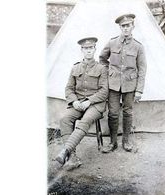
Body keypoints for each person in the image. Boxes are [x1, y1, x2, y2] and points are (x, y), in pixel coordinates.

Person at [54, 37, 108, 170]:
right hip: (79, 103)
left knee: (86, 120)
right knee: (64, 119)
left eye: (91, 48)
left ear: (95, 49)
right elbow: (68, 88)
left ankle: (65, 151)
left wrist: (89, 101)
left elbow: (104, 91)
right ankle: (72, 157)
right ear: (81, 50)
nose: (88, 51)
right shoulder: (75, 67)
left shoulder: (101, 68)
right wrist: (74, 101)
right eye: (85, 48)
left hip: (95, 104)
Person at [99, 14, 147, 153]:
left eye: (128, 25)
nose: (126, 28)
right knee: (113, 113)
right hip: (113, 85)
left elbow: (142, 69)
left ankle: (126, 141)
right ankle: (112, 142)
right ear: (120, 27)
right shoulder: (112, 42)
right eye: (123, 26)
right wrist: (110, 72)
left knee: (127, 112)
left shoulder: (138, 46)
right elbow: (102, 59)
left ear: (133, 26)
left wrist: (139, 90)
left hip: (130, 85)